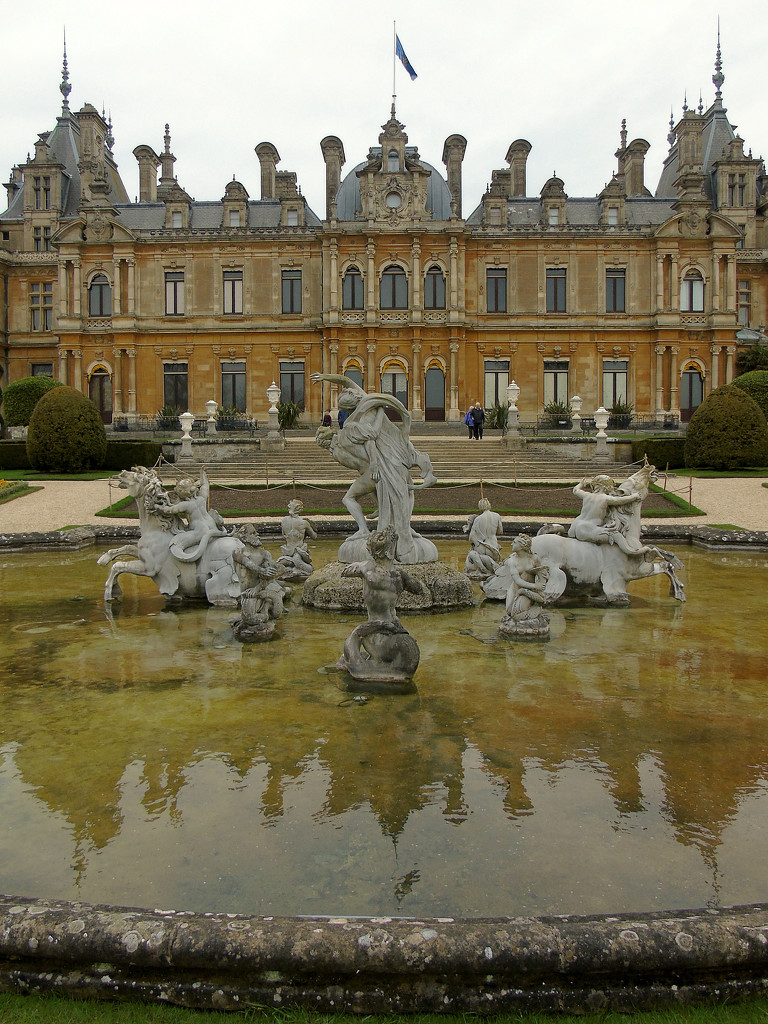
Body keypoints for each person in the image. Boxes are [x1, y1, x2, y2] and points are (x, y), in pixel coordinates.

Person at [310, 372, 437, 563]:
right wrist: (325, 377)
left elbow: (371, 438)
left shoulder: (362, 416)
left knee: (400, 491)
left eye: (346, 409)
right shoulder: (367, 401)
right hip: (394, 450)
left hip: (387, 454)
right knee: (403, 491)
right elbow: (345, 381)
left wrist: (325, 377)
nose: (348, 412)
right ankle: (403, 528)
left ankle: (395, 530)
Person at [161, 470, 228, 562]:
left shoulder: (185, 505)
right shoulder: (201, 498)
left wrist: (156, 506)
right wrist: (202, 474)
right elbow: (205, 486)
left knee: (175, 544)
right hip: (213, 527)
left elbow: (169, 510)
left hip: (200, 532)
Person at [567, 474, 644, 554]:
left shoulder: (586, 495)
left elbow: (575, 490)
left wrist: (581, 484)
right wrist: (634, 497)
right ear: (605, 487)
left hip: (574, 527)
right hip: (588, 529)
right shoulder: (605, 498)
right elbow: (620, 500)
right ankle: (633, 552)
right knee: (617, 536)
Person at [463, 497, 504, 578]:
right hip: (494, 548)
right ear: (489, 505)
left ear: (480, 507)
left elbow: (471, 537)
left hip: (482, 548)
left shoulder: (478, 519)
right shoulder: (497, 516)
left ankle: (481, 570)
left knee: (471, 555)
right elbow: (500, 531)